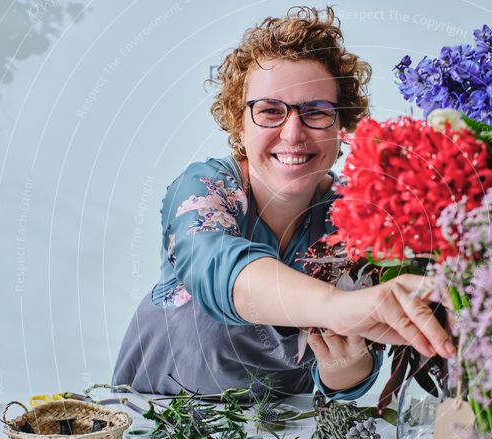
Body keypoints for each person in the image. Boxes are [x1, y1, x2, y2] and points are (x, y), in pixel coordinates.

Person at [113, 6, 454, 400]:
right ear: (240, 124)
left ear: (341, 128)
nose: (293, 134)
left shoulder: (356, 216)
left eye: (316, 112)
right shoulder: (204, 189)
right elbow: (221, 270)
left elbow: (349, 374)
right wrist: (335, 305)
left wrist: (343, 368)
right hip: (157, 430)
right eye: (270, 111)